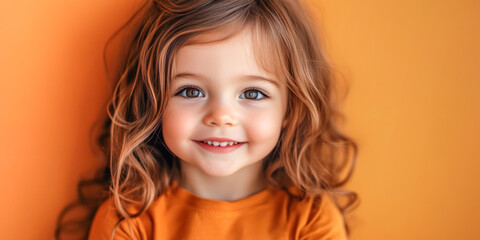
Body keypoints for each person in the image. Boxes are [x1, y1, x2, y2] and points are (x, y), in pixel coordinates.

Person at [85, 0, 358, 239]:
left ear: (291, 108)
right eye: (192, 91)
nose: (221, 117)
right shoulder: (125, 221)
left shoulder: (312, 220)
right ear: (151, 100)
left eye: (252, 93)